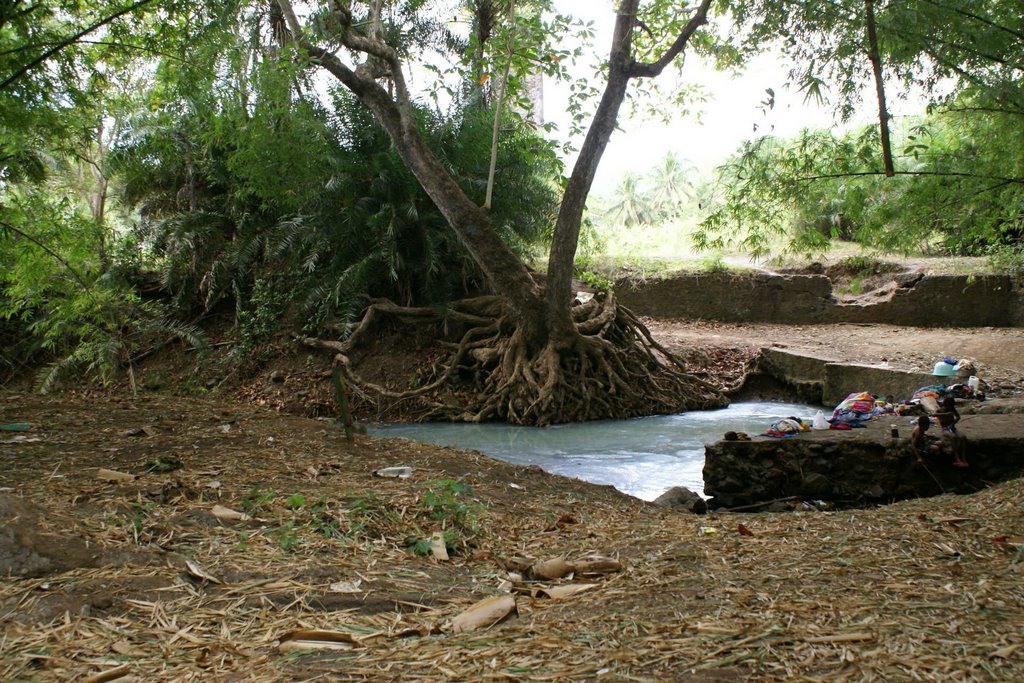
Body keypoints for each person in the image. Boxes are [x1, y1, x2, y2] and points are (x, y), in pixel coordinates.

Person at [935, 396, 969, 467]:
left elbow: (958, 417)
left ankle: (964, 459)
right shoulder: (940, 411)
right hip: (945, 428)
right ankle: (956, 458)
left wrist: (953, 423)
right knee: (953, 437)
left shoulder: (952, 409)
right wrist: (945, 414)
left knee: (963, 437)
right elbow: (934, 414)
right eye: (950, 406)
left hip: (952, 427)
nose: (951, 408)